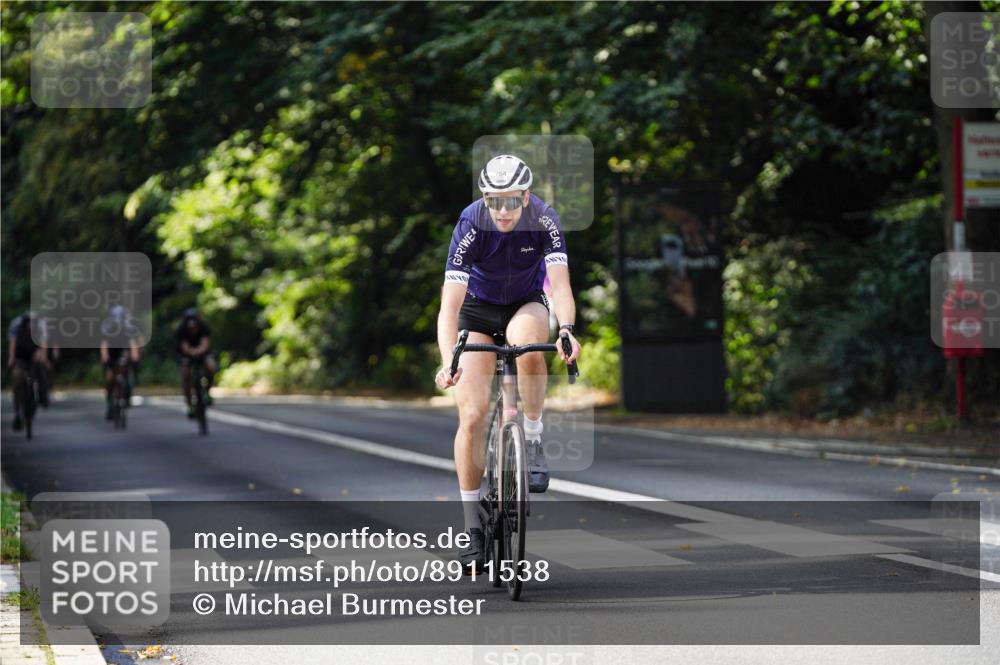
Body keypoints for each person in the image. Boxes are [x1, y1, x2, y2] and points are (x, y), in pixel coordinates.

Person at [434, 155, 581, 571]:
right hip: (476, 311)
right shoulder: (469, 223)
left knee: (532, 345)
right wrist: (450, 361)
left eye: (511, 201)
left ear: (525, 196)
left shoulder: (545, 219)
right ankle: (471, 529)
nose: (503, 211)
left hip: (525, 304)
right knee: (474, 415)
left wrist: (567, 328)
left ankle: (531, 440)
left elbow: (562, 285)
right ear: (485, 198)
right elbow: (449, 308)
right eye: (494, 201)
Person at [99, 305, 143, 420]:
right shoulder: (108, 327)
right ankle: (109, 404)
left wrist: (135, 355)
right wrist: (105, 356)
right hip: (111, 353)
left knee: (125, 370)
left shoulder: (128, 327)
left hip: (123, 351)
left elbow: (132, 342)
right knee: (109, 379)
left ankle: (126, 394)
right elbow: (104, 344)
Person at [7, 311, 48, 430]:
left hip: (33, 352)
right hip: (20, 354)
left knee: (40, 366)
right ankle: (17, 413)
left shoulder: (40, 326)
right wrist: (11, 359)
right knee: (17, 377)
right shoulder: (16, 325)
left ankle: (42, 393)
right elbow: (12, 344)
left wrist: (43, 356)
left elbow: (43, 344)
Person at [176, 308, 216, 417]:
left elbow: (205, 343)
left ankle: (207, 391)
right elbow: (184, 346)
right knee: (185, 375)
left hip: (202, 352)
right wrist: (191, 352)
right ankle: (190, 405)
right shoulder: (181, 329)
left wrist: (199, 351)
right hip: (186, 355)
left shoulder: (204, 327)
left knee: (211, 367)